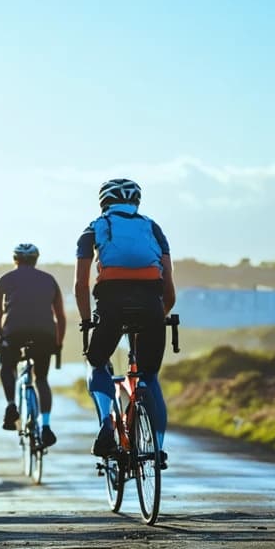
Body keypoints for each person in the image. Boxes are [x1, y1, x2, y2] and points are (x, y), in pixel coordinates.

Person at [75, 178, 177, 468]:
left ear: (103, 201)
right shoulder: (153, 228)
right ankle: (157, 449)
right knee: (149, 377)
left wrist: (86, 322)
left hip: (111, 305)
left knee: (97, 363)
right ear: (136, 203)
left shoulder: (94, 227)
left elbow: (80, 285)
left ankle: (107, 424)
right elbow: (168, 284)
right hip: (151, 306)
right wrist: (161, 313)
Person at [0, 243, 67, 447]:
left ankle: (10, 406)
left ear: (15, 259)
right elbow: (60, 316)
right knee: (41, 379)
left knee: (6, 367)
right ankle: (46, 427)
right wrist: (58, 343)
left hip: (14, 332)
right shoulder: (49, 280)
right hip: (45, 334)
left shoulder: (5, 279)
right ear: (36, 259)